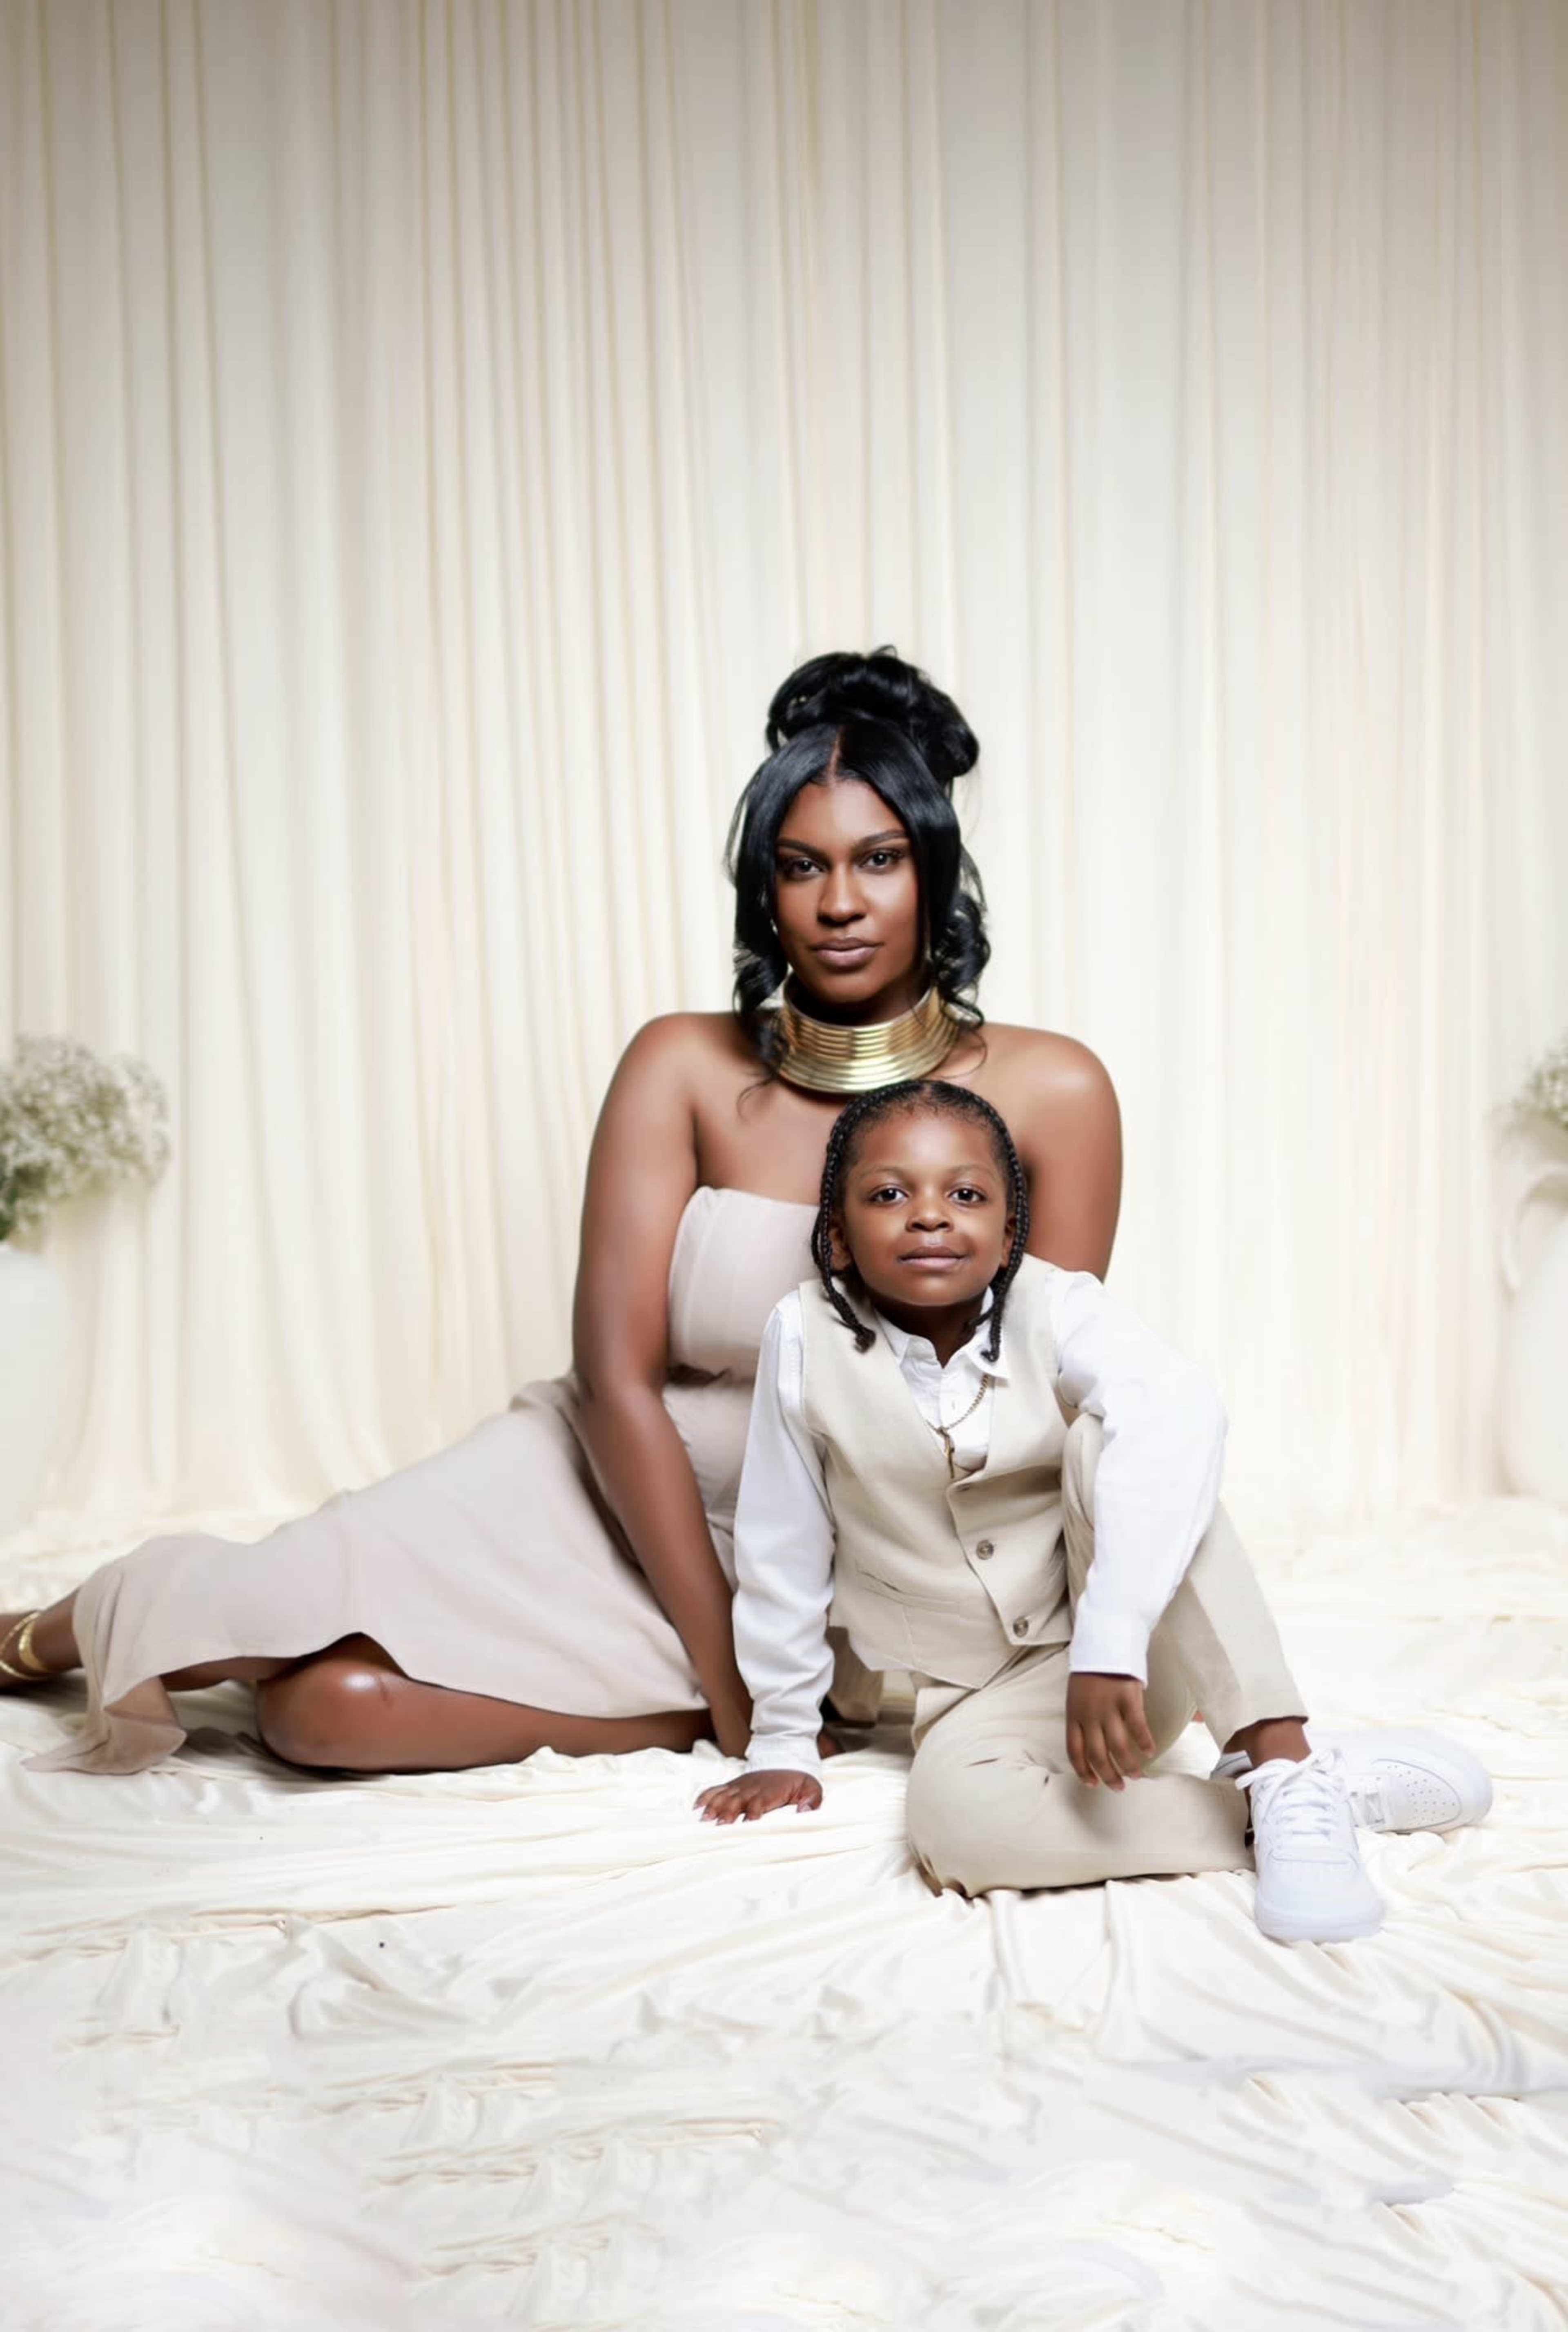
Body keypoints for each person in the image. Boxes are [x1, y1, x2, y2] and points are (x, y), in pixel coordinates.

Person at [0, 648, 1124, 1776]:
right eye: (801, 866)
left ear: (934, 867)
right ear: (763, 891)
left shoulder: (1053, 1092)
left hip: (821, 1557)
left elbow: (1032, 1407)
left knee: (319, 1717)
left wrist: (808, 1662)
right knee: (266, 1606)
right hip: (606, 1486)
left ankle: (689, 1709)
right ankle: (58, 1629)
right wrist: (727, 1673)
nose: (839, 903)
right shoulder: (682, 1064)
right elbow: (613, 1380)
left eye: (879, 860)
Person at [695, 1080, 1493, 1945]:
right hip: (976, 1697)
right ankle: (1284, 1812)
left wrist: (1111, 1639)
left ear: (1009, 1237)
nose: (929, 1215)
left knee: (1136, 1439)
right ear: (839, 1239)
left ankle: (1282, 1757)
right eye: (889, 1194)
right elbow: (783, 1540)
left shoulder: (1058, 1304)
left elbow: (1179, 1409)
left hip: (1128, 1658)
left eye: (966, 1195)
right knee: (957, 1829)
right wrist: (783, 1738)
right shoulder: (803, 1335)